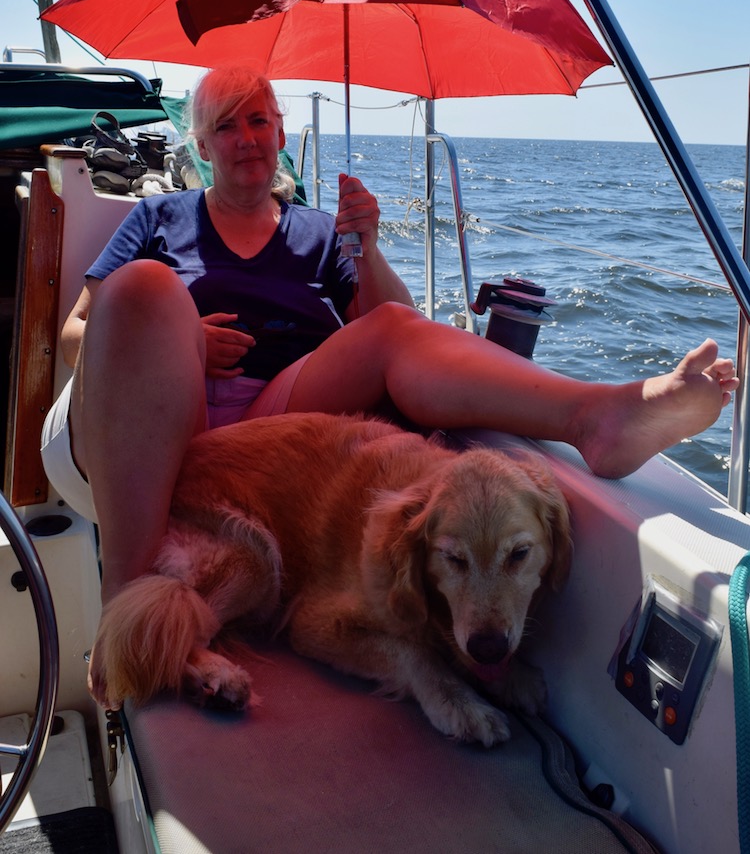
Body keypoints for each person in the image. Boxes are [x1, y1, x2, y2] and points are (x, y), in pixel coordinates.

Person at [40, 64, 738, 706]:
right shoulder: (156, 220)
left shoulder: (320, 232)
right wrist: (186, 339)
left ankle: (595, 417)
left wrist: (365, 248)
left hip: (275, 424)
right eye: (226, 124)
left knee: (398, 322)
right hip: (158, 421)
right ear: (200, 144)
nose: (247, 138)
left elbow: (386, 331)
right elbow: (77, 336)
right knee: (144, 288)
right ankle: (122, 604)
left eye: (259, 121)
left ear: (282, 134)